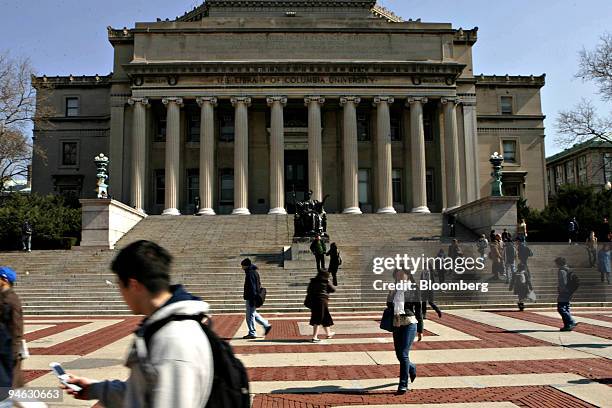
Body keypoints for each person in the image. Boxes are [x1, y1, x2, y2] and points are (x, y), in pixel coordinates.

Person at [62, 240, 214, 407]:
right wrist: (94, 389)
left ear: (133, 284)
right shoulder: (163, 328)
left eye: (120, 285)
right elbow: (143, 393)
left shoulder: (173, 340)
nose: (120, 294)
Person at [386, 269, 423, 395]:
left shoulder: (413, 288)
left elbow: (419, 309)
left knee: (403, 353)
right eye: (398, 274)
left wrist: (420, 329)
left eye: (402, 274)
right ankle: (412, 367)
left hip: (409, 322)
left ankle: (403, 384)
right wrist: (390, 295)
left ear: (408, 276)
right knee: (399, 355)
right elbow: (389, 305)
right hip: (396, 323)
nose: (400, 276)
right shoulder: (394, 288)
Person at [0, 267, 25, 401]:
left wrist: (13, 354)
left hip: (8, 351)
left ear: (4, 280)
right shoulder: (3, 297)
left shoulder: (11, 300)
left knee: (13, 393)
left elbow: (17, 330)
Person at [242, 258, 272, 339]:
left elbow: (252, 287)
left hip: (251, 297)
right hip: (252, 296)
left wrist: (253, 298)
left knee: (250, 316)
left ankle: (252, 333)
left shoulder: (250, 273)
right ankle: (266, 325)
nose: (242, 268)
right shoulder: (253, 272)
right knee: (253, 314)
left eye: (242, 266)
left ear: (246, 265)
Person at [306, 270, 336, 342]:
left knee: (325, 317)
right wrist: (329, 282)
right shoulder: (326, 281)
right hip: (322, 301)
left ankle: (328, 333)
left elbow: (309, 290)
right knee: (318, 318)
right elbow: (333, 289)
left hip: (314, 301)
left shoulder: (313, 281)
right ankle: (314, 337)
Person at [555, 257, 578, 331]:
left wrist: (562, 291)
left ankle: (571, 321)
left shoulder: (561, 271)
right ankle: (567, 325)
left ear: (558, 263)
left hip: (565, 291)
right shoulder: (568, 269)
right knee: (566, 307)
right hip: (570, 291)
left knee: (560, 308)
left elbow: (563, 282)